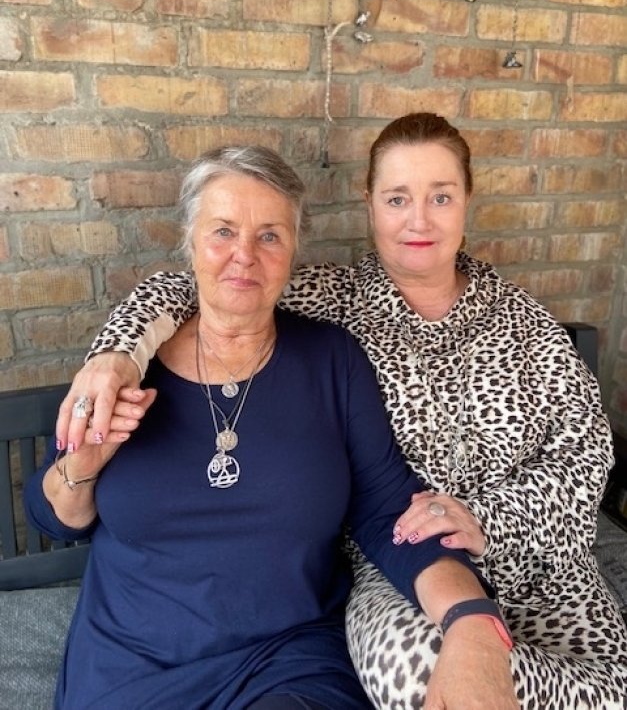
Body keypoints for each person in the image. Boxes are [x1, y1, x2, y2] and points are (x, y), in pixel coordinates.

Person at [54, 114, 627, 709]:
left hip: (535, 569)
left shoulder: (526, 324)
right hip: (397, 569)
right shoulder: (333, 297)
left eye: (440, 197)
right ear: (369, 203)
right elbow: (202, 290)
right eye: (397, 198)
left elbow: (586, 453)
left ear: (467, 202)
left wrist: (487, 521)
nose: (419, 219)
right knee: (423, 673)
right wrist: (116, 352)